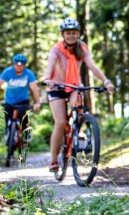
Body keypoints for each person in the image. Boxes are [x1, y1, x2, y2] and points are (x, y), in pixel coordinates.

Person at [42, 18, 115, 172]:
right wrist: (47, 79)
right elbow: (50, 66)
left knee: (79, 105)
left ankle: (79, 130)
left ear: (78, 34)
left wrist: (106, 81)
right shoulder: (56, 49)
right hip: (56, 86)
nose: (71, 36)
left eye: (74, 33)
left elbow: (92, 66)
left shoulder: (82, 48)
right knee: (60, 122)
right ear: (63, 34)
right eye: (68, 33)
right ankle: (54, 160)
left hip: (74, 85)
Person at [0, 53, 41, 165]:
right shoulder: (8, 72)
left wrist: (37, 102)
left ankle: (26, 137)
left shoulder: (29, 74)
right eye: (17, 64)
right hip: (9, 101)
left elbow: (34, 88)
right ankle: (9, 139)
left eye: (21, 65)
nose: (19, 66)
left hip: (23, 101)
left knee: (24, 122)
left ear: (24, 65)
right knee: (8, 124)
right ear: (14, 64)